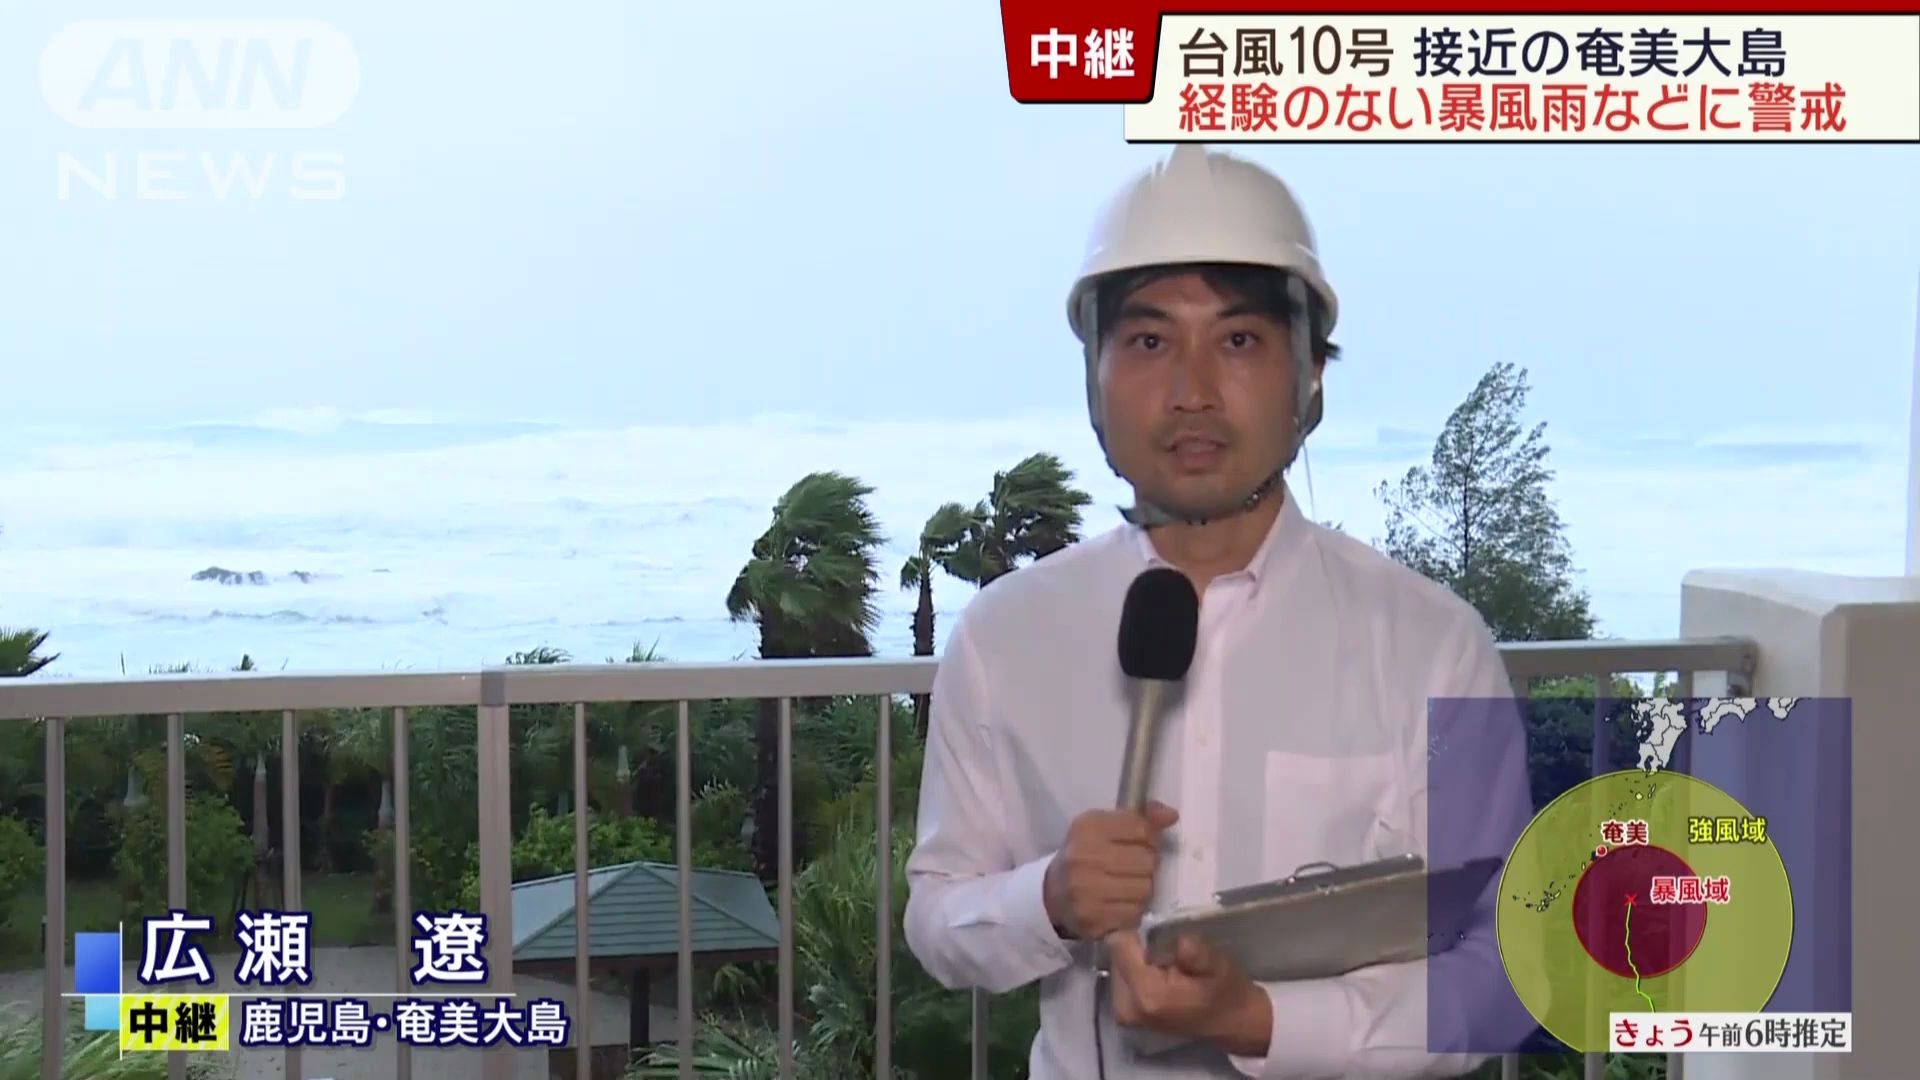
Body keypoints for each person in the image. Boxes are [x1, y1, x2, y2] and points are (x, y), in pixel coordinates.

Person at [902, 144, 1537, 1078]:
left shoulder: (1436, 645)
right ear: (1094, 377)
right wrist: (1049, 898)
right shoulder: (1003, 636)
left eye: (1238, 341)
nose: (1191, 392)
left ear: (1310, 374)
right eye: (1148, 342)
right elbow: (936, 917)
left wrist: (1265, 1019)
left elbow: (1506, 967)